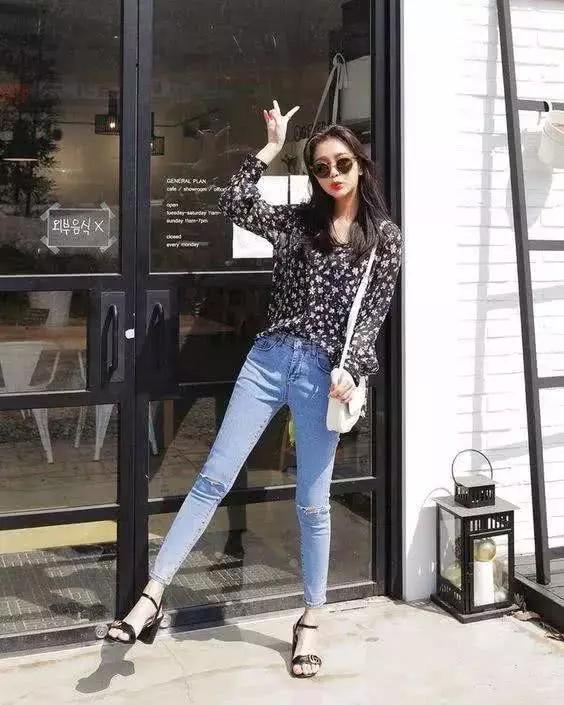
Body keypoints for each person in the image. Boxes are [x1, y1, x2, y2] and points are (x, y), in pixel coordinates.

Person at [106, 100, 402, 678]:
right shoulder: (297, 222)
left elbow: (373, 317)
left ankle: (310, 617)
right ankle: (152, 595)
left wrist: (352, 369)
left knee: (312, 503)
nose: (333, 174)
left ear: (361, 165)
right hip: (267, 361)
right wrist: (269, 147)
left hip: (322, 377)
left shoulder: (384, 239)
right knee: (213, 478)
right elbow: (235, 200)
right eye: (321, 166)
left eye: (342, 163)